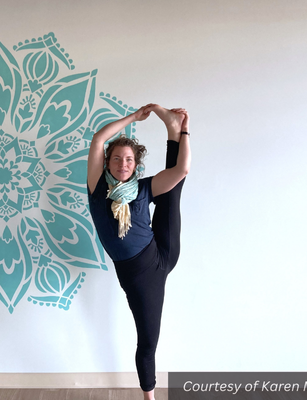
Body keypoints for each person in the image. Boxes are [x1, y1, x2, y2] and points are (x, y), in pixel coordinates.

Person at [86, 104, 191, 400]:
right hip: (142, 276)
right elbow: (97, 140)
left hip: (161, 250)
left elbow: (182, 170)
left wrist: (184, 131)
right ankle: (150, 396)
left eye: (129, 159)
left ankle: (172, 128)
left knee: (174, 188)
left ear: (136, 164)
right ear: (107, 163)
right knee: (148, 341)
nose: (123, 163)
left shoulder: (143, 188)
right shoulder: (97, 190)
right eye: (117, 158)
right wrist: (134, 118)